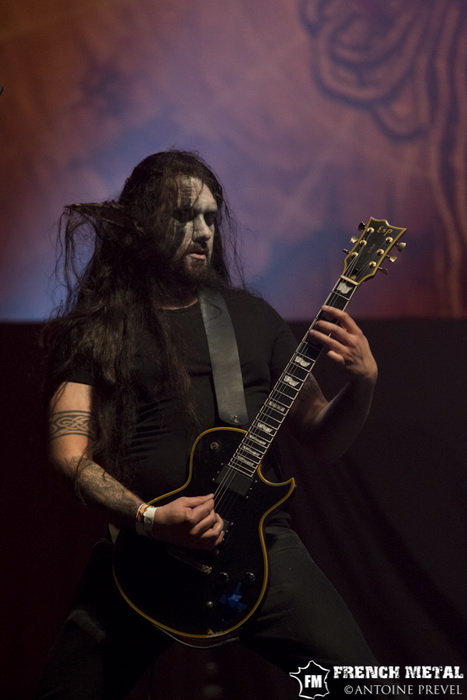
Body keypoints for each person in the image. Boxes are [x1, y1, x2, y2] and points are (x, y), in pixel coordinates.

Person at [37, 150, 379, 699]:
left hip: (259, 545)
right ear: (142, 223)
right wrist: (151, 519)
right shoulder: (98, 330)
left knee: (363, 683)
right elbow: (68, 456)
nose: (202, 232)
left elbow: (323, 436)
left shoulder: (252, 319)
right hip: (145, 553)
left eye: (211, 218)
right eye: (184, 216)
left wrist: (363, 384)